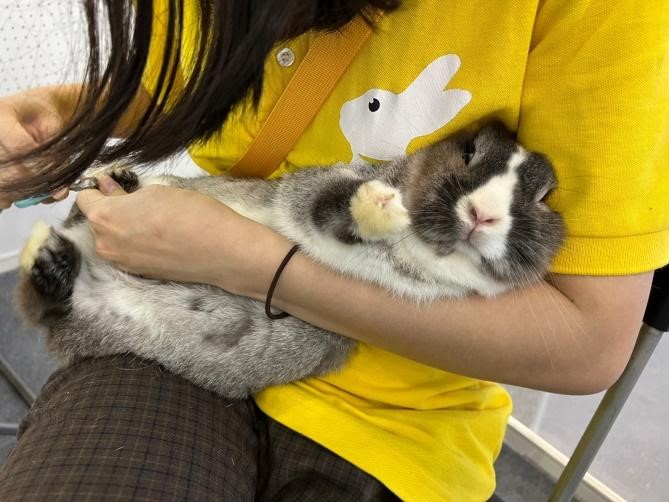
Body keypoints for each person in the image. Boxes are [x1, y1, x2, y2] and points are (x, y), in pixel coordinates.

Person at [0, 1, 667, 500]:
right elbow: (196, 80)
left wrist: (251, 261)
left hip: (406, 409)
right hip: (179, 313)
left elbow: (588, 341)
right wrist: (62, 115)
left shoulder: (607, 17)